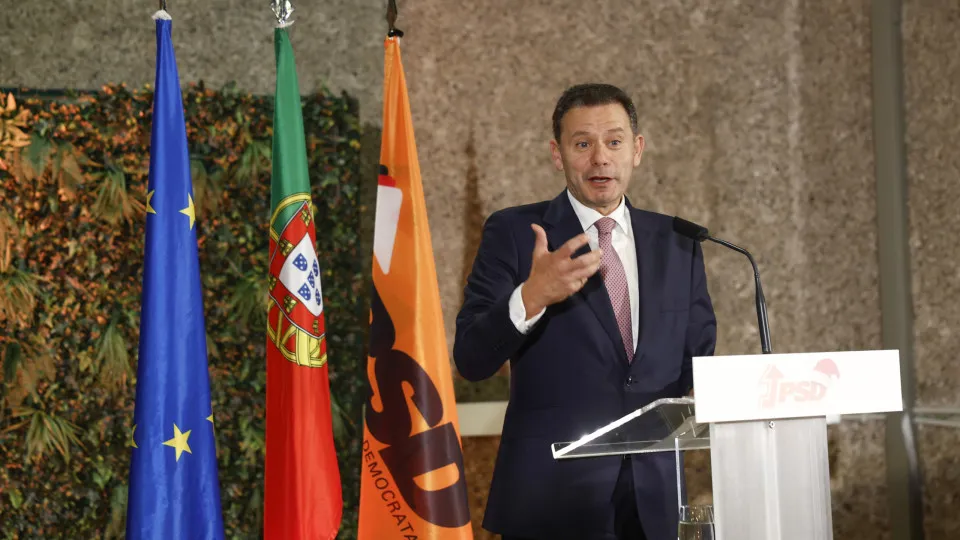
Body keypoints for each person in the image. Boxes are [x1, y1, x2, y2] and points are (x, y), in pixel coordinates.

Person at [453, 83, 717, 540]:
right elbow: (471, 358)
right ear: (557, 154)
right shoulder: (515, 233)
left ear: (637, 150)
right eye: (582, 144)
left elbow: (698, 358)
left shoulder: (678, 241)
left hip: (654, 504)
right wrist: (532, 296)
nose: (600, 158)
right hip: (552, 500)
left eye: (614, 142)